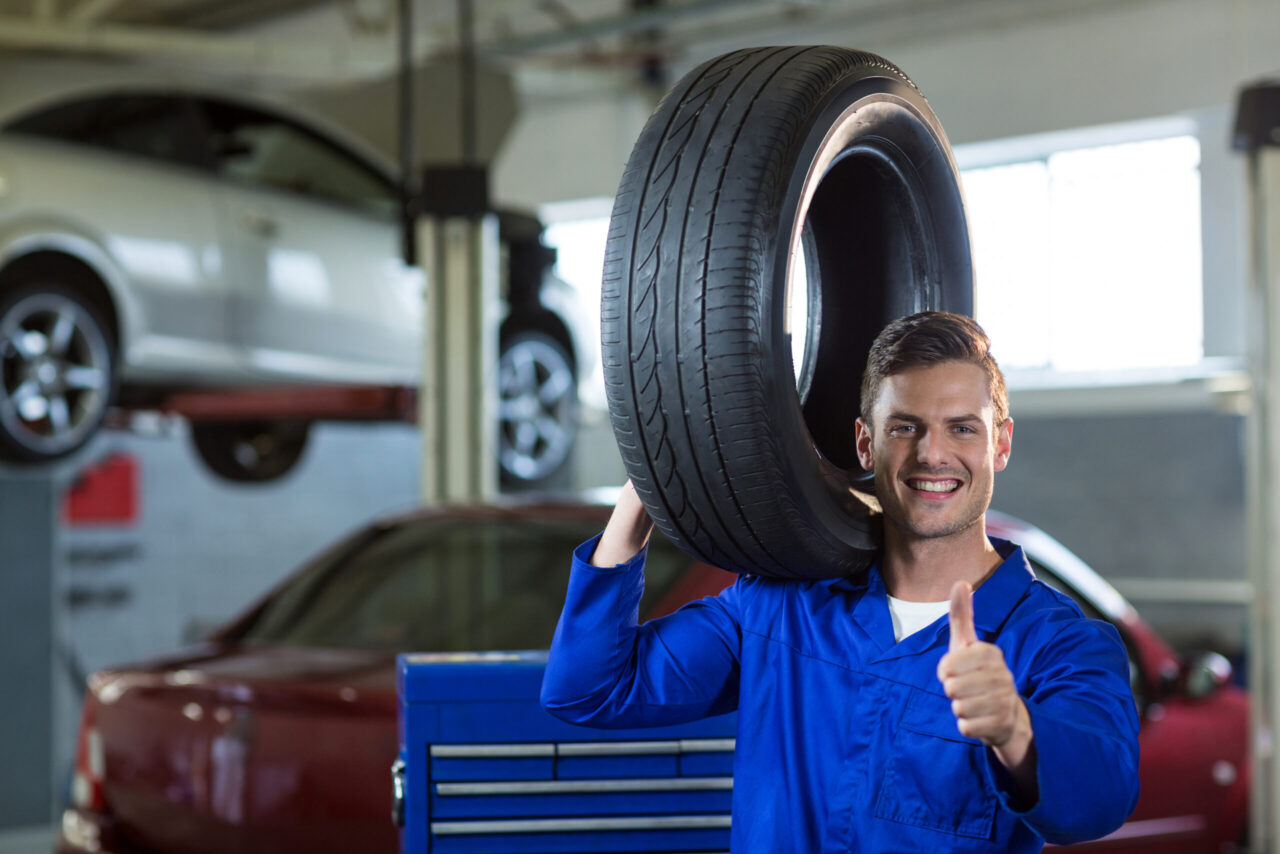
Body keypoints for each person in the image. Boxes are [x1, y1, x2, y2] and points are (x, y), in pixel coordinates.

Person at [542, 311, 1139, 852]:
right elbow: (590, 690)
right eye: (904, 427)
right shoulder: (778, 606)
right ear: (865, 443)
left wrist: (1014, 728)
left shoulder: (1058, 644)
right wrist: (646, 489)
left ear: (999, 443)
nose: (932, 454)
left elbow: (1100, 803)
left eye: (962, 429)